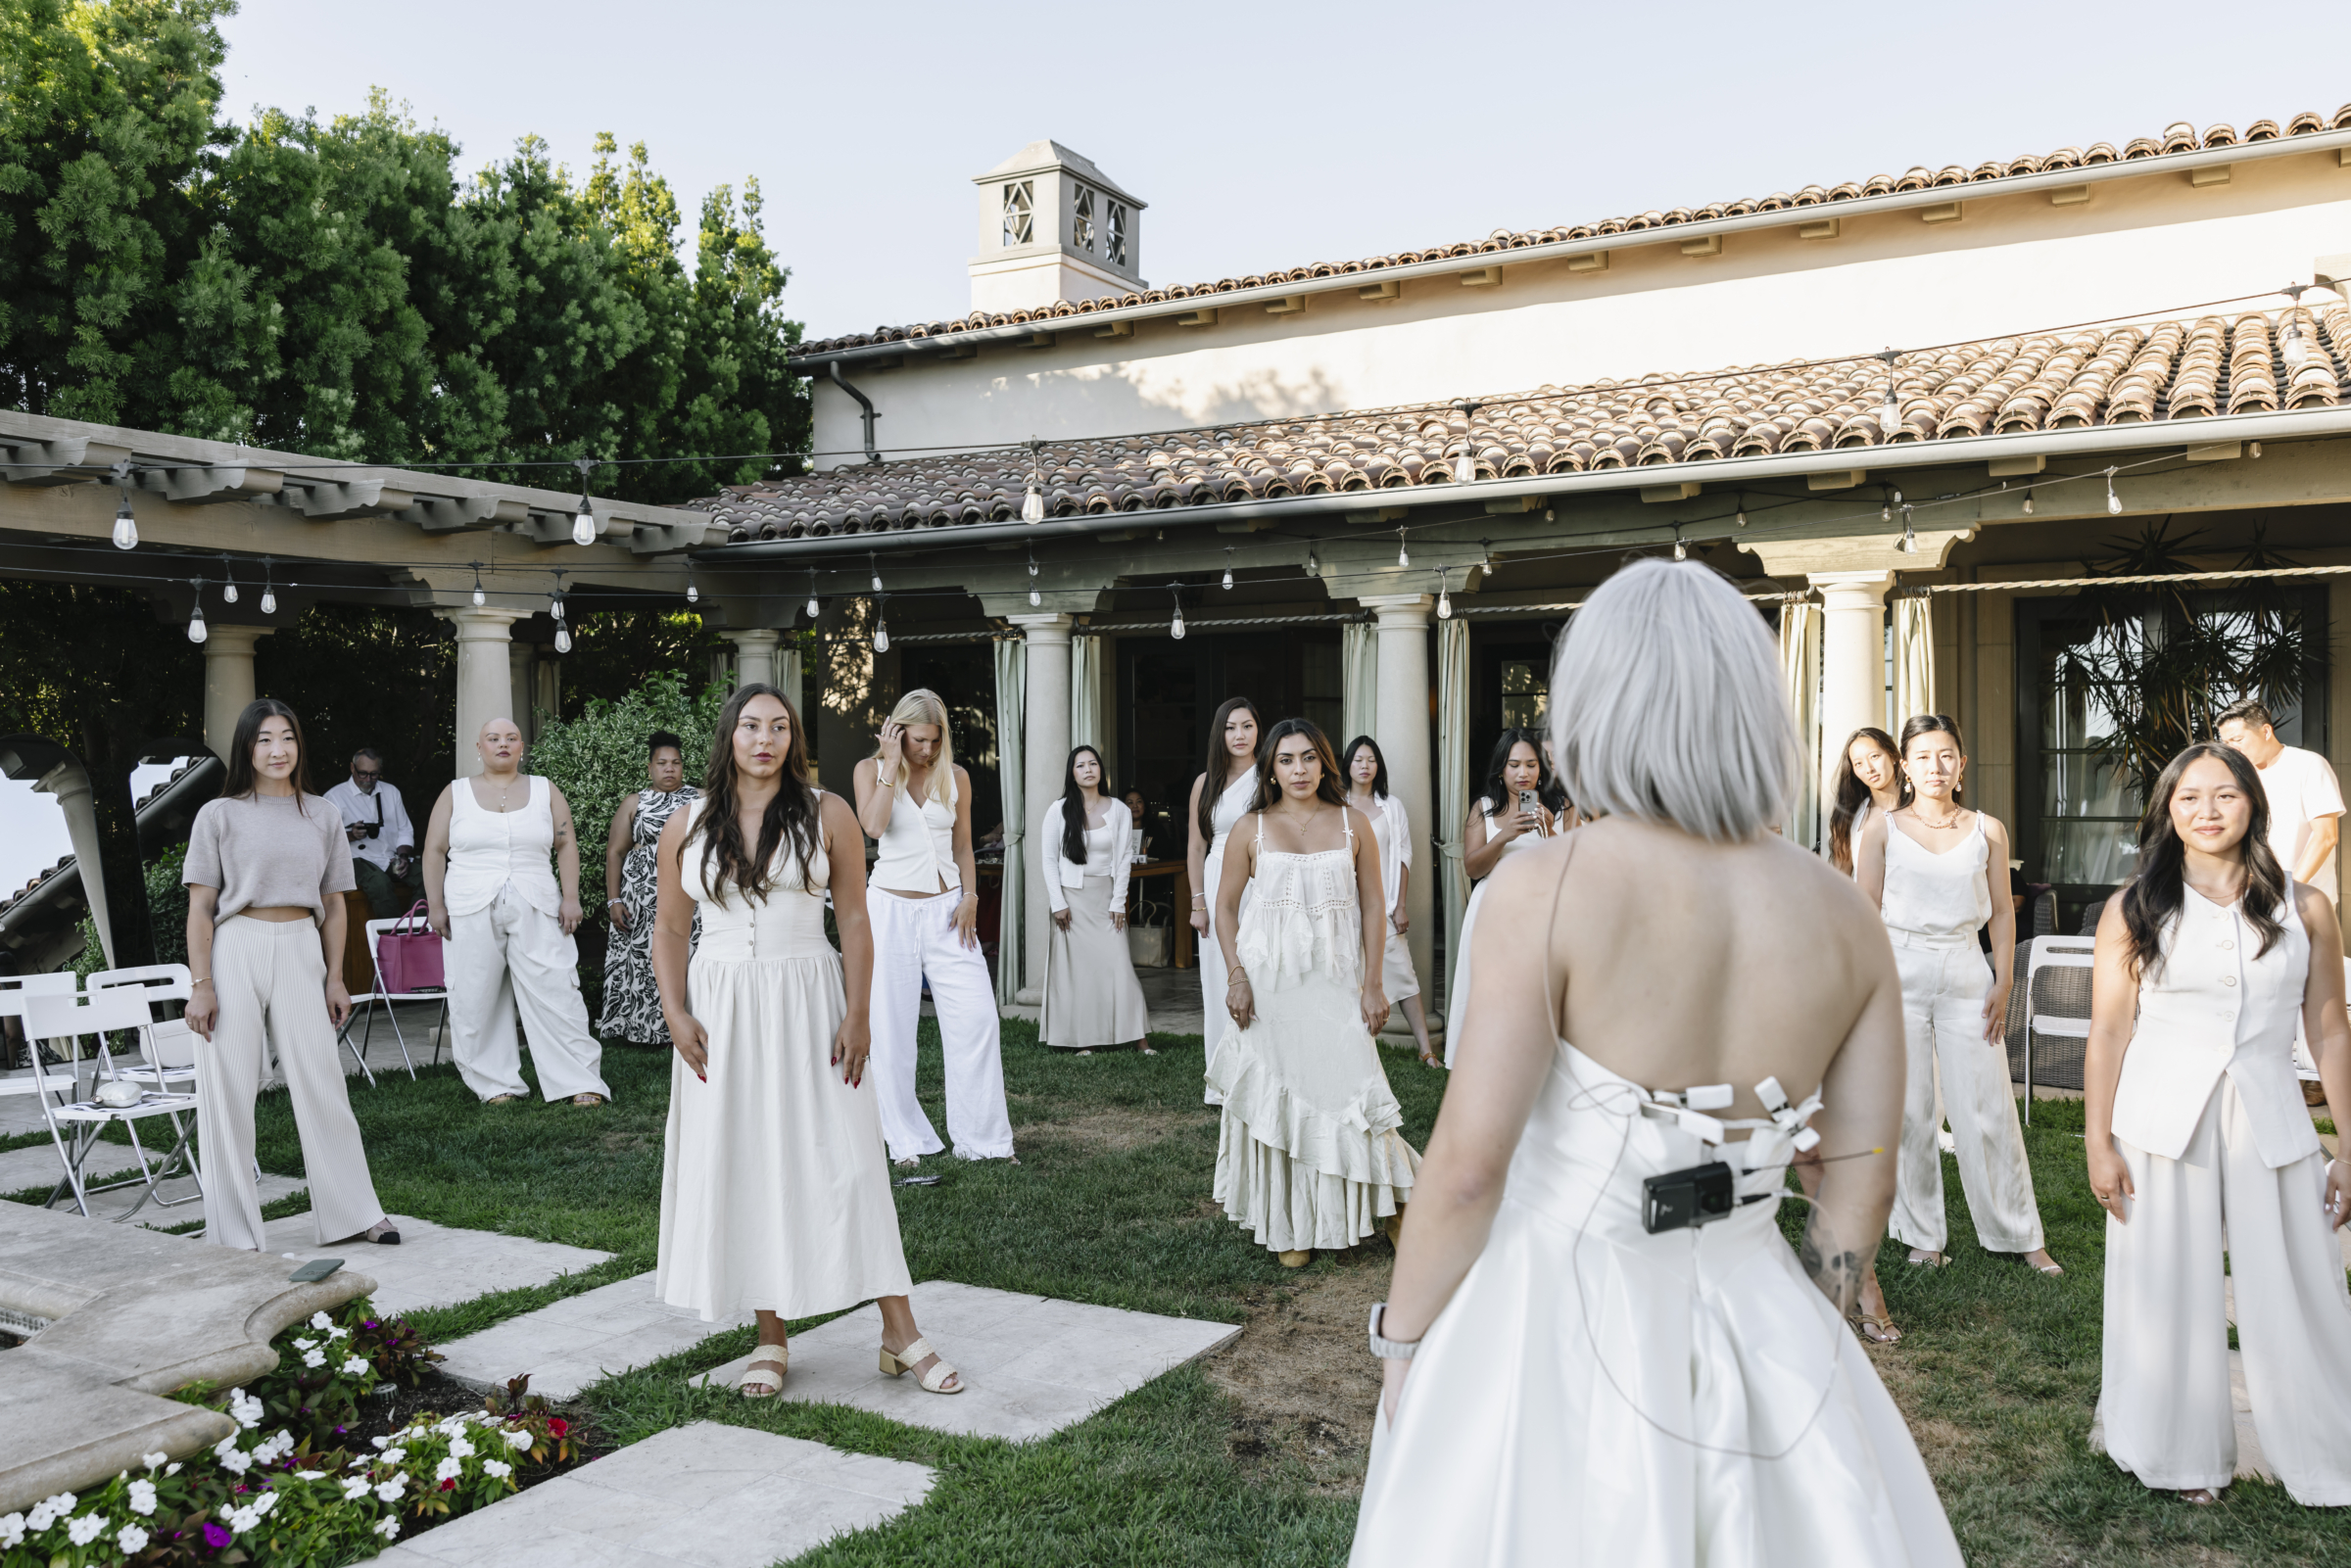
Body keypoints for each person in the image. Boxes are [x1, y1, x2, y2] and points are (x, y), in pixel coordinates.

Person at [1354, 559, 1956, 1567]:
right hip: (1761, 1304)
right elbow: (1859, 1179)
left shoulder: (1545, 885)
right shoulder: (1845, 913)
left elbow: (1464, 1167)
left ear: (1596, 707)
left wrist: (1403, 1348)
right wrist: (1807, 1329)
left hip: (1550, 1316)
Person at [650, 684, 962, 1399]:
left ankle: (899, 1328)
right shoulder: (687, 822)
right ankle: (770, 1332)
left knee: (848, 1159)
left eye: (781, 727)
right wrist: (675, 1011)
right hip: (722, 1008)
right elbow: (670, 928)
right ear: (730, 734)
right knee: (747, 1160)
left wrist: (859, 1014)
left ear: (794, 739)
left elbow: (854, 920)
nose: (766, 739)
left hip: (812, 1001)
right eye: (753, 726)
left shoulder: (830, 813)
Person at [2082, 740, 2351, 1505]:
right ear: (2168, 810)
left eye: (2224, 795)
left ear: (2252, 805)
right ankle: (2178, 1454)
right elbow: (2108, 1030)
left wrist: (2350, 1148)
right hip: (2160, 1123)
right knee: (2164, 1288)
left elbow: (2331, 1029)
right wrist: (2098, 1140)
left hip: (2272, 1118)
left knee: (2304, 1286)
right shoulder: (2135, 904)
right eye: (2189, 797)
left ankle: (2330, 1452)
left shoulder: (2306, 907)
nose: (2207, 811)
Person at [183, 699, 398, 1252]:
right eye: (264, 740)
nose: (277, 750)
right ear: (247, 749)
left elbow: (336, 902)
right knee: (227, 1087)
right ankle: (233, 1232)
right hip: (236, 945)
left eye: (287, 738)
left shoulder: (322, 814)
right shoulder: (218, 815)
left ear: (299, 746)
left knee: (321, 1079)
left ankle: (354, 1212)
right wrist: (201, 983)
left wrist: (335, 977)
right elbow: (201, 908)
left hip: (301, 943)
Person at [1211, 719, 1418, 1267]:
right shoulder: (1249, 828)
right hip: (1269, 988)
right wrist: (1236, 975)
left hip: (1335, 981)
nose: (1298, 770)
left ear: (1325, 763)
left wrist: (1374, 984)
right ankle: (1292, 1221)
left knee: (1353, 1082)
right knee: (1284, 1088)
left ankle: (1396, 1207)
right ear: (1270, 769)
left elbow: (1375, 904)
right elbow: (1225, 908)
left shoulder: (1354, 824)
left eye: (1308, 758)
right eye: (1285, 760)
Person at [1855, 716, 2058, 1273]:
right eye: (1922, 757)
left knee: (1988, 1105)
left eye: (1946, 756)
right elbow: (1863, 913)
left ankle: (2019, 1234)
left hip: (1968, 970)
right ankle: (1922, 1234)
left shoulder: (1988, 829)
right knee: (1910, 1108)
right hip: (1899, 970)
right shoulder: (1883, 830)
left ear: (1962, 765)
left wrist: (2006, 979)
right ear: (1906, 765)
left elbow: (1999, 911)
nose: (1935, 767)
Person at [854, 689, 1015, 1165]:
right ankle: (905, 1140)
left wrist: (970, 896)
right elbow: (874, 828)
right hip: (889, 911)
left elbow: (963, 846)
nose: (926, 750)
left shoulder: (955, 775)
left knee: (978, 1019)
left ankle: (983, 1141)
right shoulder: (870, 770)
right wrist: (888, 764)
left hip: (948, 911)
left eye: (934, 740)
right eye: (917, 740)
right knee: (891, 1027)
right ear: (897, 732)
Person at [421, 718, 613, 1108]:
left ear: (522, 747)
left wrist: (571, 897)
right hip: (469, 904)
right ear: (479, 747)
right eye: (493, 738)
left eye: (511, 738)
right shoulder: (455, 793)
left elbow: (566, 844)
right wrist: (436, 905)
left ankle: (579, 1081)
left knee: (557, 990)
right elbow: (434, 851)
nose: (502, 744)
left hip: (537, 901)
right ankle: (495, 1085)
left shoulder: (544, 789)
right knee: (475, 995)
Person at [1818, 724, 1908, 1342]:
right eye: (1859, 761)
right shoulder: (1847, 819)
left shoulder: (1922, 816)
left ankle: (1854, 1278)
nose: (1869, 768)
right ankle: (1849, 1279)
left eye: (1877, 755)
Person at [1443, 729, 1561, 1067]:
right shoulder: (1483, 809)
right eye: (1514, 765)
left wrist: (1551, 831)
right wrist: (1504, 836)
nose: (1523, 773)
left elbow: (1572, 869)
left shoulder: (1559, 808)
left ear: (1542, 769)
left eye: (1531, 765)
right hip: (1493, 909)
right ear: (1501, 769)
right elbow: (1472, 868)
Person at [1041, 745, 1151, 1055]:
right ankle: (1083, 1040)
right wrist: (1057, 902)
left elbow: (1124, 858)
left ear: (1101, 770)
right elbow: (1049, 859)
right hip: (1072, 901)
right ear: (1072, 773)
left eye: (1093, 764)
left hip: (1106, 898)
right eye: (1080, 765)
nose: (1088, 769)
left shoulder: (1119, 809)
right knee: (1080, 973)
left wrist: (1119, 901)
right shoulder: (1059, 810)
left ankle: (1140, 1039)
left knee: (1120, 967)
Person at [599, 731, 701, 1045]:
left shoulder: (702, 799)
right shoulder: (635, 802)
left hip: (690, 893)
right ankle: (640, 1029)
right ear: (650, 768)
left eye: (676, 763)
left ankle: (694, 1025)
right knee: (643, 959)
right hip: (641, 898)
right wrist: (614, 899)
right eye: (662, 763)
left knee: (691, 954)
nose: (669, 769)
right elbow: (615, 851)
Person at [1343, 736, 1437, 1068]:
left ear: (1377, 765)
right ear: (1347, 765)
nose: (1364, 766)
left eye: (1370, 760)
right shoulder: (1335, 805)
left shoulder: (1391, 806)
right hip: (1345, 907)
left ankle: (1426, 1049)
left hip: (1382, 904)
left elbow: (1405, 855)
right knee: (1349, 976)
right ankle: (1356, 1050)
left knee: (1403, 974)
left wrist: (1400, 904)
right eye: (1358, 760)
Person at [1188, 697, 1263, 1105]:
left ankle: (1262, 1079)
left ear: (1258, 731)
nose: (1240, 735)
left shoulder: (1270, 775)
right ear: (1221, 733)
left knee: (1262, 975)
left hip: (1260, 880)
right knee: (1221, 979)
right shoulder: (1206, 782)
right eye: (1232, 727)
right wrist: (1198, 903)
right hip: (1218, 880)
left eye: (1248, 726)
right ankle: (1224, 1084)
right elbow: (1195, 847)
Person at [2217, 698, 2343, 903]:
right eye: (2226, 743)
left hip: (2305, 898)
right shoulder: (2237, 776)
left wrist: (2289, 890)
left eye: (2238, 740)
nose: (2232, 749)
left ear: (2266, 731)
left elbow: (2326, 836)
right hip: (2253, 897)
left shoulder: (2308, 765)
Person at [325, 748, 419, 921]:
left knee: (425, 875)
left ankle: (415, 928)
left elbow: (405, 830)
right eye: (363, 774)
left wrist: (403, 856)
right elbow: (323, 841)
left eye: (374, 774)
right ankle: (393, 935)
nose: (368, 780)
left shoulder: (391, 792)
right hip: (355, 860)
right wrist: (351, 835)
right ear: (352, 768)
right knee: (379, 883)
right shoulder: (335, 797)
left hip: (389, 859)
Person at [1826, 726, 1904, 874]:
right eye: (1858, 764)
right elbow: (1841, 876)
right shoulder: (1850, 816)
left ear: (1892, 755)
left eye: (1874, 756)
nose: (1869, 768)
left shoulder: (1919, 805)